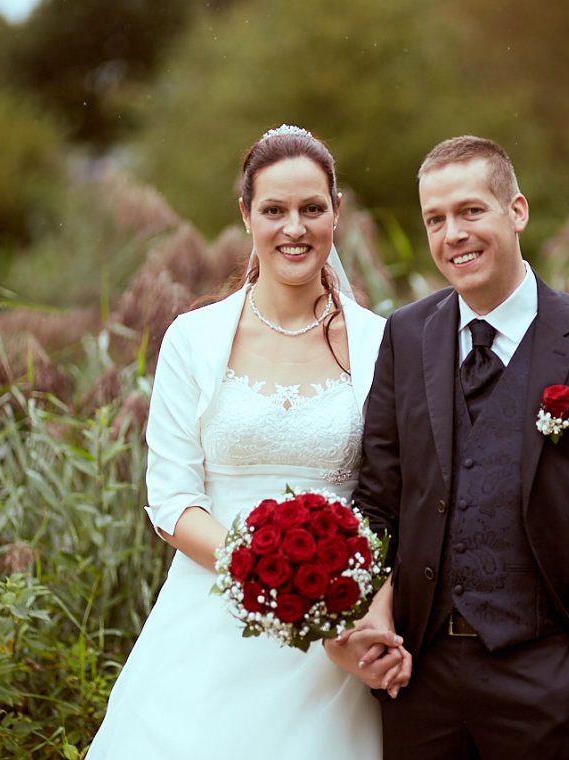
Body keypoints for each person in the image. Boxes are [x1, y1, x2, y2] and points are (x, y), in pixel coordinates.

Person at [88, 125, 409, 759]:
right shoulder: (192, 339)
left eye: (312, 209)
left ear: (336, 214)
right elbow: (173, 501)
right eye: (275, 210)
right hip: (212, 615)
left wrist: (350, 606)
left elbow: (403, 497)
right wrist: (268, 570)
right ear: (246, 215)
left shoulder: (384, 342)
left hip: (338, 624)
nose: (295, 228)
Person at [345, 136, 569, 759]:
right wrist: (371, 616)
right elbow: (376, 503)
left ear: (516, 212)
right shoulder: (406, 337)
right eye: (435, 220)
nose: (452, 235)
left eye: (470, 211)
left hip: (547, 680)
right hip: (420, 681)